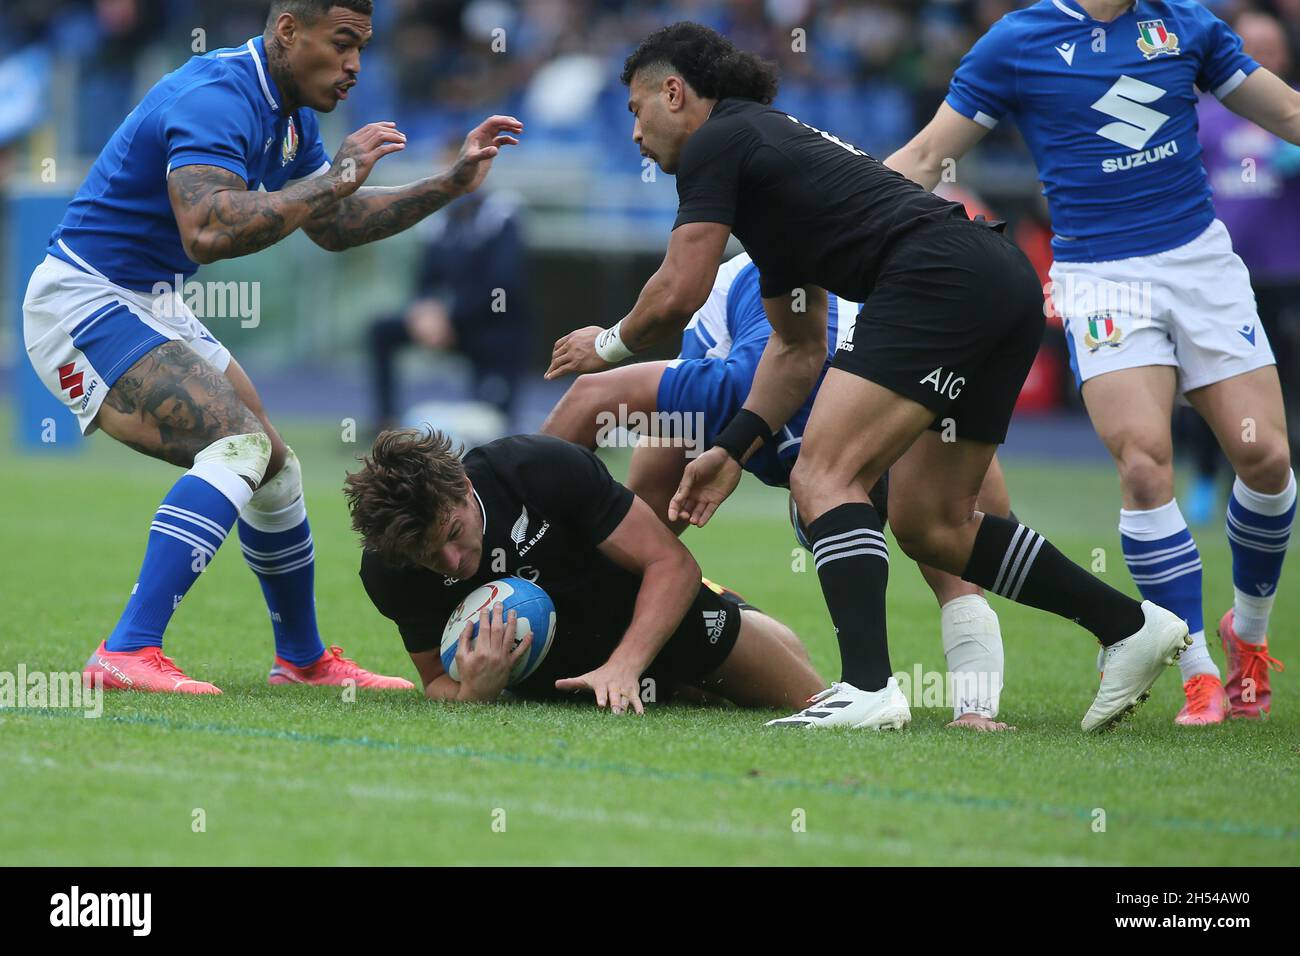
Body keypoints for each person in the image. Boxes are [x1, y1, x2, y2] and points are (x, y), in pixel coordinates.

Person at [545, 21, 1189, 734]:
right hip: (999, 280)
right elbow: (796, 352)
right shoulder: (771, 179)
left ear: (674, 93)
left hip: (938, 279)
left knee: (821, 475)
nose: (633, 133)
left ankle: (869, 688)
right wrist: (731, 447)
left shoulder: (719, 139)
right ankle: (1128, 627)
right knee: (935, 525)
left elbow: (677, 292)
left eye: (635, 110)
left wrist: (605, 344)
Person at [23, 0, 522, 693]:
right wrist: (333, 178)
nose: (354, 66)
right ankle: (126, 650)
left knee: (274, 465)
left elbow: (334, 222)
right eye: (342, 44)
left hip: (147, 299)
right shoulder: (216, 98)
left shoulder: (292, 118)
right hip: (83, 302)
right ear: (289, 30)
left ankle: (302, 659)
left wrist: (449, 183)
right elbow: (206, 229)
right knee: (238, 445)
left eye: (363, 49)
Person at [887, 0, 1295, 723]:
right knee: (1143, 462)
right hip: (1102, 278)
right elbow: (925, 156)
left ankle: (1248, 636)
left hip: (1200, 264)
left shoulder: (1187, 25)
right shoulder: (1018, 42)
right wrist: (828, 221)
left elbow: (1288, 113)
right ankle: (1195, 663)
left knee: (1264, 463)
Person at [542, 251, 1015, 730]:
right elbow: (589, 395)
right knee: (647, 519)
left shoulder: (912, 430)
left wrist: (974, 713)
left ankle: (609, 637)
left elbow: (963, 574)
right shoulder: (732, 391)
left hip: (846, 322)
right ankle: (548, 593)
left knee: (949, 533)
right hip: (743, 307)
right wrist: (507, 492)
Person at [345, 430, 825, 712]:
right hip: (561, 678)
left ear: (463, 485)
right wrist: (474, 690)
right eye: (429, 559)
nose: (452, 563)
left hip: (651, 620)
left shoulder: (535, 468)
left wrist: (624, 666)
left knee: (808, 701)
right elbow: (435, 682)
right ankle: (689, 670)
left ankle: (730, 609)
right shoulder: (390, 569)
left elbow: (670, 564)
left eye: (453, 534)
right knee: (693, 697)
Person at [367, 141, 532, 431]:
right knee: (381, 331)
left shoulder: (501, 214)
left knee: (492, 430)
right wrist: (425, 312)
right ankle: (385, 421)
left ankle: (497, 408)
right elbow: (426, 281)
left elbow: (502, 288)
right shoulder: (440, 220)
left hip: (489, 327)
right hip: (446, 325)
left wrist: (451, 317)